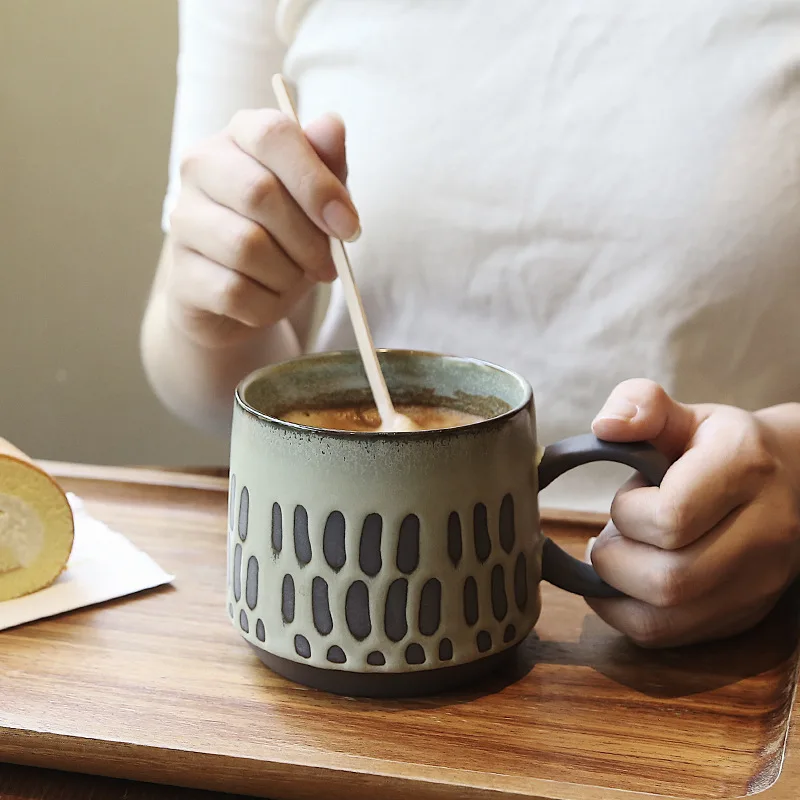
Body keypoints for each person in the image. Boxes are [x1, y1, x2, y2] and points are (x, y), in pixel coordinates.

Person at [140, 0, 800, 648]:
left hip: (746, 640)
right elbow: (202, 380)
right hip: (310, 625)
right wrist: (207, 309)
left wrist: (791, 468)